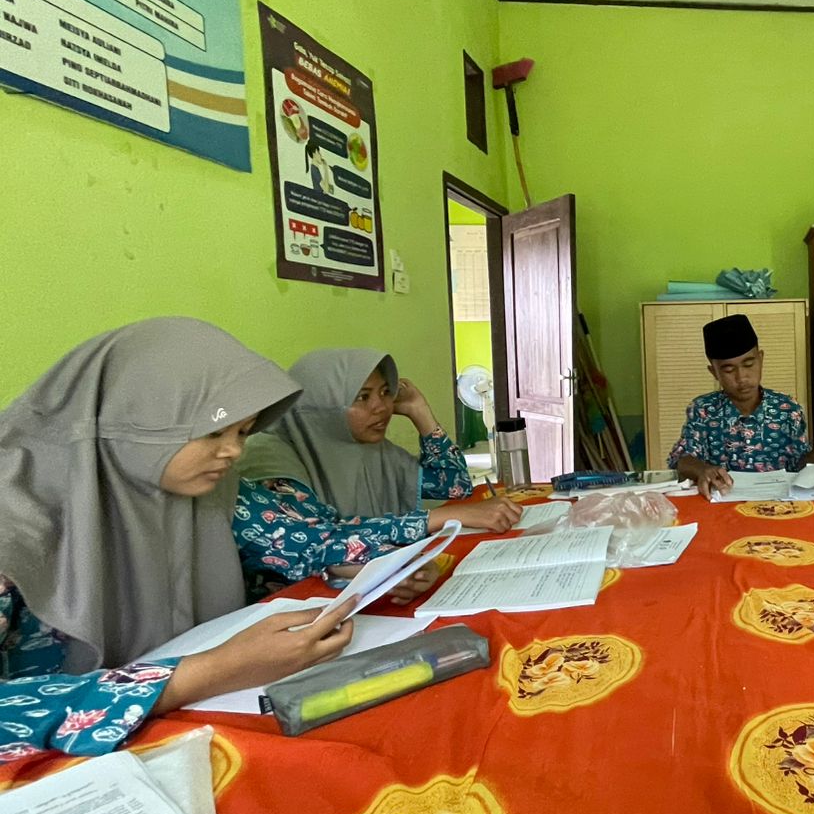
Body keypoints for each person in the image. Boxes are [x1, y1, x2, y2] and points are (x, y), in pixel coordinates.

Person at [0, 319, 427, 760]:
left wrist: (357, 569)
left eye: (242, 432)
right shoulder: (15, 525)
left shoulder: (211, 492)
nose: (234, 452)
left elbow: (309, 539)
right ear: (137, 420)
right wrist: (211, 671)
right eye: (212, 433)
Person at [236, 349, 520, 587]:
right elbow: (321, 538)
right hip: (295, 614)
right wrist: (437, 517)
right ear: (321, 404)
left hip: (377, 591)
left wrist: (421, 413)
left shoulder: (374, 450)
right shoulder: (267, 458)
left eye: (386, 393)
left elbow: (455, 487)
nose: (381, 407)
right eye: (362, 397)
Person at [669, 314, 814, 498]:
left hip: (778, 506)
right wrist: (703, 469)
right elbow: (682, 459)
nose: (742, 377)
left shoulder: (787, 409)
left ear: (760, 359)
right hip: (723, 506)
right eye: (729, 370)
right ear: (714, 372)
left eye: (749, 364)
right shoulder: (702, 409)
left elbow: (799, 467)